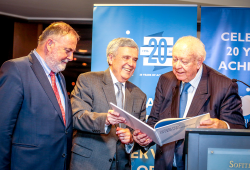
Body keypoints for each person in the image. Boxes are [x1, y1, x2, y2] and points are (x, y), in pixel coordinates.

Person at [133, 36, 245, 170]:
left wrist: (222, 125)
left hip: (201, 164)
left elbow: (239, 129)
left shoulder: (223, 86)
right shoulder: (166, 80)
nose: (177, 66)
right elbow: (154, 121)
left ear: (199, 62)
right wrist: (145, 137)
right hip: (165, 165)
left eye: (184, 61)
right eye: (175, 59)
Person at [0, 22, 79, 170]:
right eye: (68, 50)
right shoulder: (16, 69)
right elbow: (2, 129)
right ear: (49, 44)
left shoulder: (59, 77)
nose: (71, 57)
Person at [70, 37, 146, 170]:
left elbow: (139, 134)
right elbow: (76, 116)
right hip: (88, 164)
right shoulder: (88, 80)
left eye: (134, 59)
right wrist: (105, 120)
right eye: (126, 57)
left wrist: (131, 139)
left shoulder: (139, 95)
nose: (131, 63)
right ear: (111, 58)